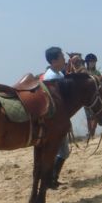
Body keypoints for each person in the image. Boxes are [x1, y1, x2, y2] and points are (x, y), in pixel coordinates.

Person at [43, 47, 69, 188]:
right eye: (61, 57)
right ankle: (51, 180)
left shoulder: (57, 74)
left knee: (61, 151)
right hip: (55, 122)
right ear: (54, 61)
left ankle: (52, 179)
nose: (64, 59)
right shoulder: (52, 78)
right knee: (62, 151)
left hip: (58, 121)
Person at [84, 53, 102, 140]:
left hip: (96, 98)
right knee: (88, 117)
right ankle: (90, 133)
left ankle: (91, 133)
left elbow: (100, 84)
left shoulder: (97, 72)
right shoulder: (84, 73)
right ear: (87, 63)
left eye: (94, 62)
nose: (93, 63)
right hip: (87, 98)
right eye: (91, 62)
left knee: (95, 115)